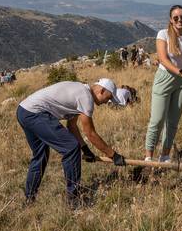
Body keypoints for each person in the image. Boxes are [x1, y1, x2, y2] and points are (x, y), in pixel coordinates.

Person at [16, 78, 127, 207]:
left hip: (23, 111)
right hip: (35, 113)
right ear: (101, 90)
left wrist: (85, 150)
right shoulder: (86, 98)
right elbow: (90, 133)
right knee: (71, 148)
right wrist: (113, 155)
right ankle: (73, 199)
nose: (107, 102)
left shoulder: (80, 91)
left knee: (41, 155)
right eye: (108, 98)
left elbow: (72, 126)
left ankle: (29, 199)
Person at [144, 5, 182, 162]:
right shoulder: (163, 34)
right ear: (171, 20)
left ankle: (165, 155)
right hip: (165, 77)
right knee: (157, 120)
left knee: (173, 121)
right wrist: (180, 71)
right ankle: (148, 157)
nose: (180, 20)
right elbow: (162, 59)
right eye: (176, 18)